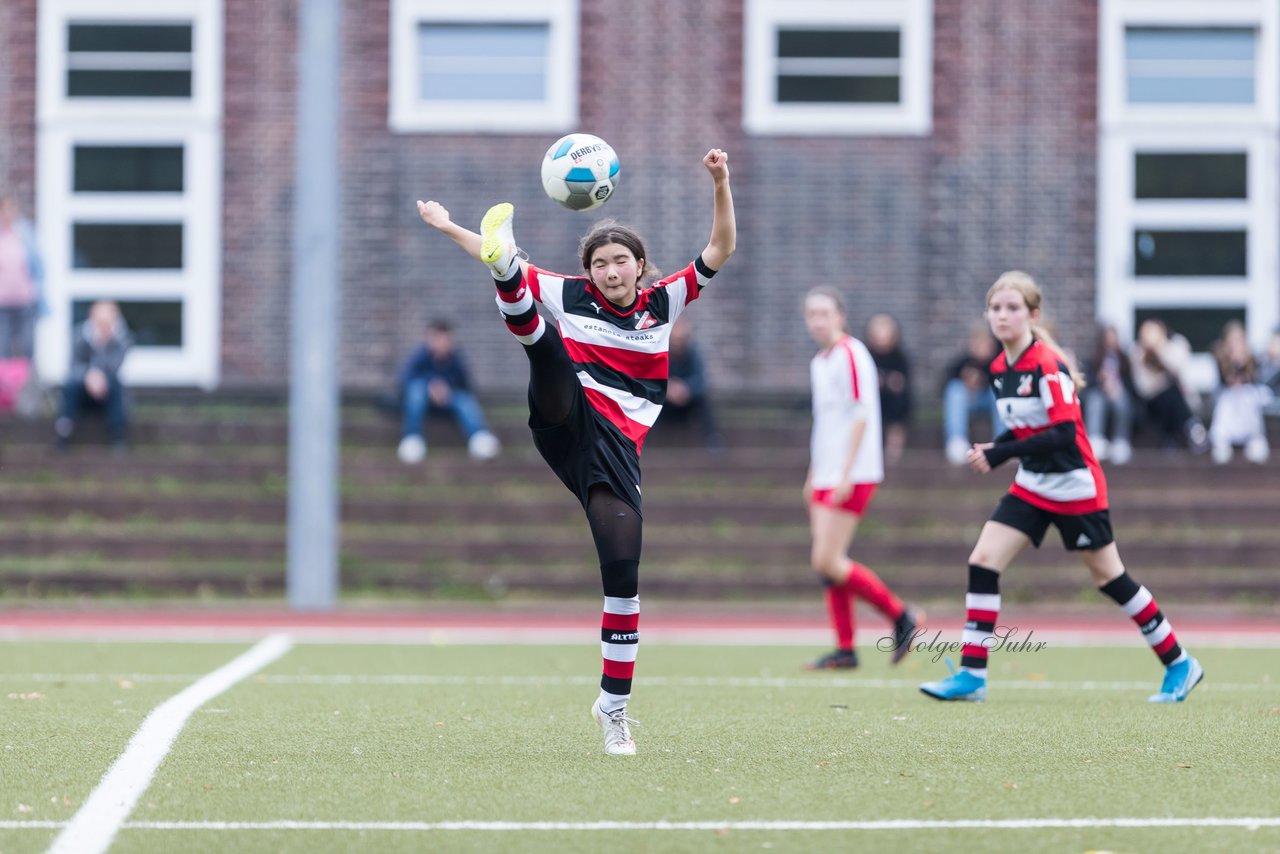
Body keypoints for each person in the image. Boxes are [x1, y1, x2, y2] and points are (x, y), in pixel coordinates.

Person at [416, 147, 735, 756]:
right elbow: (501, 263)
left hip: (618, 449)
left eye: (620, 262)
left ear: (641, 267)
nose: (611, 272)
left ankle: (613, 709)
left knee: (622, 575)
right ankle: (503, 266)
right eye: (600, 265)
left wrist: (720, 182)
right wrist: (447, 225)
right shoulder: (573, 294)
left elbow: (720, 248)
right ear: (589, 273)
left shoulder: (663, 302)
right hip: (567, 418)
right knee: (547, 347)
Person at [919, 271, 1203, 705]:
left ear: (1033, 315)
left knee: (1109, 577)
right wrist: (999, 447)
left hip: (1075, 488)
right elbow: (1025, 430)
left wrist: (1000, 453)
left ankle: (1179, 662)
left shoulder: (1047, 366)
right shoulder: (999, 368)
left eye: (1012, 308)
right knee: (982, 561)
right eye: (995, 308)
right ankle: (973, 675)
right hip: (1032, 485)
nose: (1003, 315)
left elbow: (1064, 435)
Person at [801, 289, 921, 671]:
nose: (818, 320)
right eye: (812, 314)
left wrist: (846, 473)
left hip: (854, 472)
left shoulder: (852, 353)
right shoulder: (820, 361)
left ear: (841, 315)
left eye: (825, 312)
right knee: (826, 564)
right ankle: (846, 649)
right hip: (825, 472)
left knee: (828, 559)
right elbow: (826, 425)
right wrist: (813, 474)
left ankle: (902, 616)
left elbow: (861, 415)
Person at [395, 318, 501, 463]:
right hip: (423, 402)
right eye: (438, 338)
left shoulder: (456, 359)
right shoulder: (419, 356)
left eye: (445, 339)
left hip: (448, 401)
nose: (442, 343)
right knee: (416, 392)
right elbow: (405, 380)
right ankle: (412, 439)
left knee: (464, 400)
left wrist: (446, 389)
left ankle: (479, 437)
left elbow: (466, 386)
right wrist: (430, 385)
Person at [54, 299, 133, 452]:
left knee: (115, 384)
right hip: (82, 391)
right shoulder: (79, 336)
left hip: (106, 392)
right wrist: (89, 375)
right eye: (100, 322)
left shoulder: (122, 340)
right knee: (71, 384)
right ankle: (63, 432)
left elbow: (114, 367)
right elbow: (74, 366)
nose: (104, 327)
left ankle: (118, 436)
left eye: (108, 322)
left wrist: (101, 347)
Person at [1129, 318, 1208, 453]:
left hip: (1180, 400)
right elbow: (1144, 389)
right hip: (1152, 404)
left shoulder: (1175, 345)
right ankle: (1192, 427)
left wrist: (1159, 350)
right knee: (1170, 393)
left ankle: (1177, 436)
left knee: (1173, 395)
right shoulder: (1137, 353)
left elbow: (1178, 369)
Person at [658, 316, 725, 452]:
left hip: (686, 404)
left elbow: (700, 379)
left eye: (681, 340)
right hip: (665, 407)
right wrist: (668, 389)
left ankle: (713, 440)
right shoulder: (660, 353)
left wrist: (686, 389)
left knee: (704, 400)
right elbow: (651, 379)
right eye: (675, 340)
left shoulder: (693, 353)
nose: (678, 344)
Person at [1208, 320, 1269, 465]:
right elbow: (1225, 381)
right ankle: (1221, 443)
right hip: (1227, 401)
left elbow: (1253, 380)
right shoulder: (1220, 356)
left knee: (1249, 398)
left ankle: (1255, 441)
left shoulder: (1252, 357)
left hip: (1246, 403)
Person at [943, 322, 1004, 465]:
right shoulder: (963, 363)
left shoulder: (999, 361)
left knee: (998, 389)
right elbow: (945, 384)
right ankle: (956, 441)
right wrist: (966, 381)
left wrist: (984, 380)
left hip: (991, 401)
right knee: (955, 389)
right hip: (970, 401)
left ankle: (1003, 440)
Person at [1082, 323, 1135, 465]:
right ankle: (1095, 439)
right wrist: (1100, 380)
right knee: (1095, 400)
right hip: (1099, 393)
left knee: (1122, 400)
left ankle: (1120, 441)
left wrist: (1117, 387)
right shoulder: (1093, 359)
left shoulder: (1124, 360)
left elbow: (1132, 386)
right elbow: (1086, 384)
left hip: (1118, 393)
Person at [0, 196, 44, 360]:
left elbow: (38, 265)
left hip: (24, 300)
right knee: (2, 347)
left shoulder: (25, 234)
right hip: (2, 302)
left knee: (27, 346)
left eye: (12, 209)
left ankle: (26, 383)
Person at [864, 312, 910, 464]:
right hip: (870, 400)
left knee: (898, 402)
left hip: (893, 401)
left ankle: (894, 445)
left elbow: (905, 383)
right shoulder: (865, 355)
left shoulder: (900, 357)